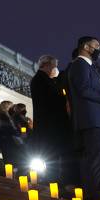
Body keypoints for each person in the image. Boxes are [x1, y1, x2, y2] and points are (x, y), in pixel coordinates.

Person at [67, 36, 100, 200]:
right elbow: (84, 89)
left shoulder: (88, 67)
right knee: (94, 163)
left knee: (92, 162)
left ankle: (96, 198)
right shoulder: (80, 65)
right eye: (96, 45)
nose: (99, 49)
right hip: (92, 121)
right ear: (86, 46)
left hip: (94, 120)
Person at [30, 55, 70, 183]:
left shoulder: (43, 79)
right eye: (54, 66)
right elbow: (52, 99)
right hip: (49, 126)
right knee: (52, 158)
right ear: (46, 65)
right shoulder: (40, 79)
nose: (55, 69)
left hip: (49, 126)